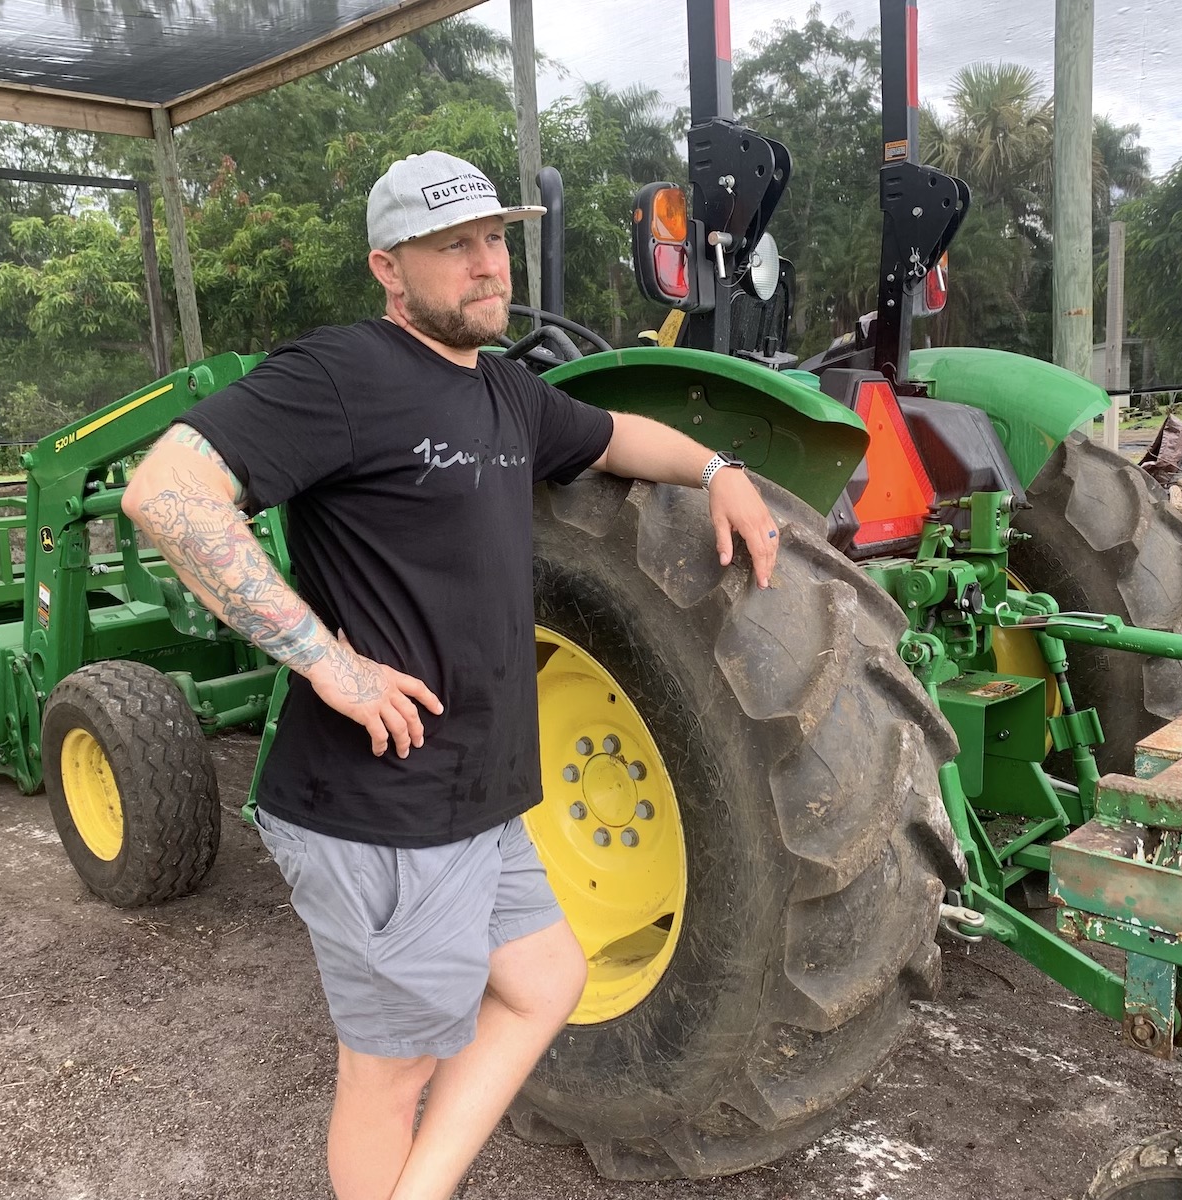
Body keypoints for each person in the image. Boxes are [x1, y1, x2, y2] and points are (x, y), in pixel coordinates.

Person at [121, 150, 781, 1200]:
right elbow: (166, 494)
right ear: (390, 269)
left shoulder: (506, 394)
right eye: (451, 247)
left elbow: (617, 436)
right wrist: (323, 661)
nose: (485, 266)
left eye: (493, 238)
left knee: (548, 979)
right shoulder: (337, 374)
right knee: (388, 1078)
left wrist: (718, 472)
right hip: (378, 810)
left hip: (480, 802)